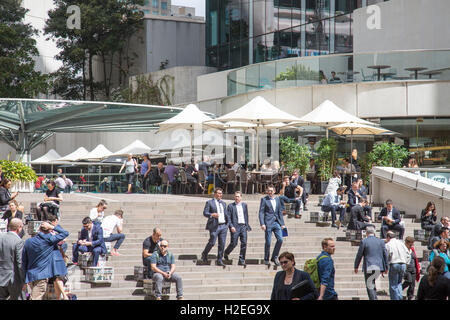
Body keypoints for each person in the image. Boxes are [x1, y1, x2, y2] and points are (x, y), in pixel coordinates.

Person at [22, 221, 69, 300]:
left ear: (39, 230)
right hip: (42, 275)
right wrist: (52, 227)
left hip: (30, 275)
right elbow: (65, 233)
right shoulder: (49, 240)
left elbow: (24, 261)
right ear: (50, 231)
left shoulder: (28, 242)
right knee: (35, 297)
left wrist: (24, 279)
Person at [354, 226, 388, 300]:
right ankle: (374, 297)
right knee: (372, 283)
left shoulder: (364, 241)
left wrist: (356, 266)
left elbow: (359, 255)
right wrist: (386, 267)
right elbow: (385, 254)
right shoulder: (381, 241)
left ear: (366, 232)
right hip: (379, 266)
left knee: (370, 284)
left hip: (369, 265)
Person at [201, 188, 229, 267]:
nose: (220, 195)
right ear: (215, 194)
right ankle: (205, 253)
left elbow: (226, 214)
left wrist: (227, 224)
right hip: (214, 225)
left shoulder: (223, 203)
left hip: (223, 225)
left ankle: (219, 259)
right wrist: (212, 215)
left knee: (222, 243)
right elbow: (205, 212)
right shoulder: (209, 202)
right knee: (212, 242)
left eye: (221, 193)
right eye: (219, 193)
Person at [259, 185, 286, 266]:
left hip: (276, 222)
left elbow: (279, 212)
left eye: (271, 191)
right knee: (268, 242)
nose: (269, 192)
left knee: (280, 239)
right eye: (268, 191)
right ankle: (266, 258)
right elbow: (261, 212)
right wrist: (262, 223)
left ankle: (274, 256)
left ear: (274, 191)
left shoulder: (278, 199)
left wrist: (282, 224)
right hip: (268, 223)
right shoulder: (264, 199)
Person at [224, 191, 251, 267]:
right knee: (234, 243)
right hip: (235, 227)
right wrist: (231, 226)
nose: (237, 198)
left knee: (244, 243)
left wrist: (246, 225)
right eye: (236, 196)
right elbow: (228, 217)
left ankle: (241, 260)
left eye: (238, 196)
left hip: (243, 226)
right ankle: (226, 252)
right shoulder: (230, 206)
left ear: (241, 197)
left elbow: (246, 215)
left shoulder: (244, 205)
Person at [0, 218, 25, 300]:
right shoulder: (18, 241)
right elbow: (19, 262)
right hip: (13, 278)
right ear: (19, 228)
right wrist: (23, 280)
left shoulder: (1, 238)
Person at [385, 231, 411, 300]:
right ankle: (399, 297)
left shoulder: (388, 244)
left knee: (393, 285)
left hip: (394, 263)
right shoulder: (401, 243)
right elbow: (408, 254)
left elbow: (387, 256)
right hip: (403, 264)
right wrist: (407, 264)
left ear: (388, 237)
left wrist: (386, 266)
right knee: (399, 283)